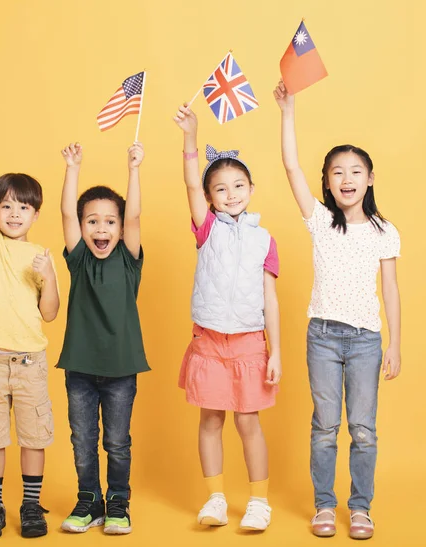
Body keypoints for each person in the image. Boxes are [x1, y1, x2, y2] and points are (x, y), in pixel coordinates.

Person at [274, 80, 402, 540]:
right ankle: (325, 506)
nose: (346, 180)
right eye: (336, 172)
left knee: (363, 429)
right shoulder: (320, 222)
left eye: (355, 171)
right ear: (327, 181)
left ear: (369, 178)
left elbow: (390, 289)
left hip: (366, 340)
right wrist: (288, 110)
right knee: (325, 425)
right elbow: (290, 166)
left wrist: (395, 344)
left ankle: (361, 507)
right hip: (323, 337)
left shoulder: (384, 230)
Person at [174, 104, 282, 531]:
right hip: (209, 342)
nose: (231, 193)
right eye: (220, 188)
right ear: (208, 197)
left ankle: (259, 501)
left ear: (252, 188)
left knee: (249, 422)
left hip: (249, 343)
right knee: (210, 419)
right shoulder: (207, 229)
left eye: (239, 185)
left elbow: (270, 299)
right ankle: (215, 497)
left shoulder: (264, 240)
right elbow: (188, 179)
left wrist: (275, 353)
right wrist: (190, 139)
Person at [0, 112, 60, 539]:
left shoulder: (40, 255)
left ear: (36, 214)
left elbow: (51, 312)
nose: (15, 213)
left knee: (33, 435)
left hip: (30, 361)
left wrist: (50, 276)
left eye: (24, 207)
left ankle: (33, 505)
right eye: (7, 206)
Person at [57, 141, 149, 535]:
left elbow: (136, 215)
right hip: (79, 369)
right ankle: (88, 500)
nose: (101, 228)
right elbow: (65, 211)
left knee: (117, 442)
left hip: (121, 370)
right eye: (92, 221)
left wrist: (133, 168)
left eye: (110, 221)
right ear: (81, 227)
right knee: (82, 442)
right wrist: (72, 168)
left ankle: (118, 502)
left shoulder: (128, 258)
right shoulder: (78, 259)